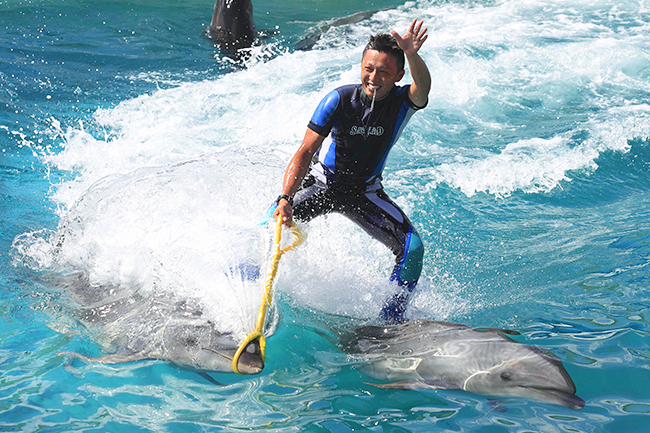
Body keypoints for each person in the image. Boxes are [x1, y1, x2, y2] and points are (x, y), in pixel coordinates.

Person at [273, 19, 431, 323]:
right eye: (368, 69)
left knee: (412, 249)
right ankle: (244, 284)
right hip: (322, 185)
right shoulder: (339, 99)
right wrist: (285, 198)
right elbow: (305, 151)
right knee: (273, 224)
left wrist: (411, 54)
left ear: (398, 75)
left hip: (365, 193)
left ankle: (391, 321)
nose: (374, 77)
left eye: (384, 72)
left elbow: (423, 87)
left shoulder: (402, 102)